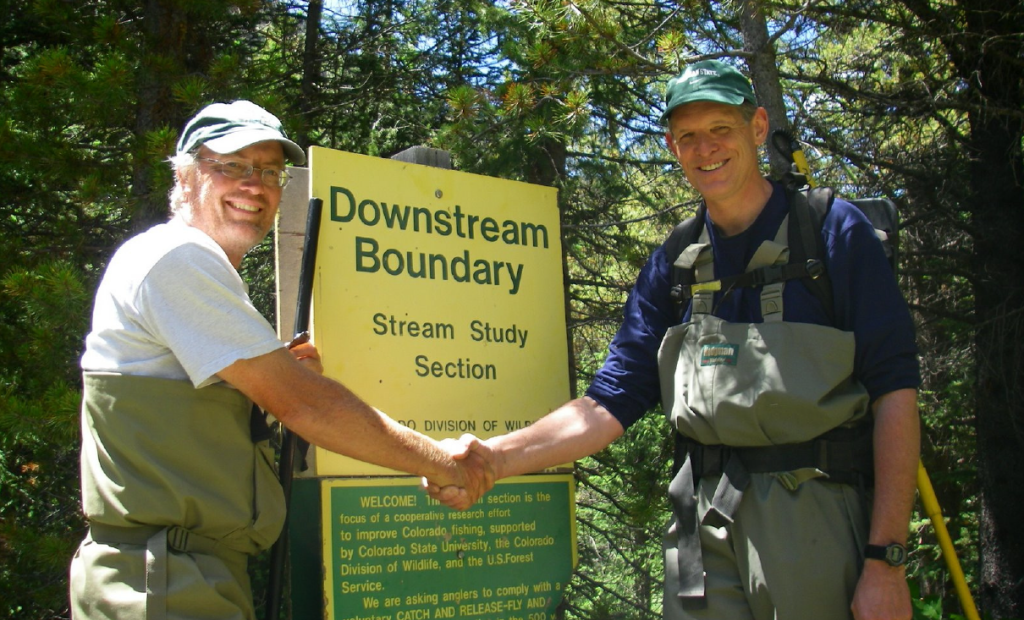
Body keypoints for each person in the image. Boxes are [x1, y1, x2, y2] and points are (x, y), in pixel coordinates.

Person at [430, 60, 921, 620]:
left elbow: (895, 394)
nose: (705, 148)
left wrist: (886, 560)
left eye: (721, 129)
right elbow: (608, 402)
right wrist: (493, 458)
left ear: (757, 127)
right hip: (702, 528)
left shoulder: (832, 232)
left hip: (817, 519)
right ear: (672, 145)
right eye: (688, 135)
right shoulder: (675, 264)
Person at [70, 100, 491, 620]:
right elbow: (307, 407)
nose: (255, 185)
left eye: (270, 172)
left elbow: (198, 427)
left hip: (185, 571)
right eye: (232, 166)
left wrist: (272, 384)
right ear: (185, 174)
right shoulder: (176, 256)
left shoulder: (196, 271)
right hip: (163, 579)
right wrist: (444, 464)